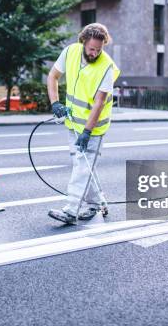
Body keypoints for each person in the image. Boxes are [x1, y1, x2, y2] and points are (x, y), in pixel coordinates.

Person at [46, 23, 120, 224]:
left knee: (81, 168)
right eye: (91, 49)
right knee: (84, 166)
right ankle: (98, 204)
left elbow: (98, 102)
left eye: (99, 49)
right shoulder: (70, 52)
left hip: (94, 128)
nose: (95, 53)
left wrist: (88, 131)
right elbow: (52, 76)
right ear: (83, 43)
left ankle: (71, 211)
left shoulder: (107, 67)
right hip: (73, 122)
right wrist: (55, 103)